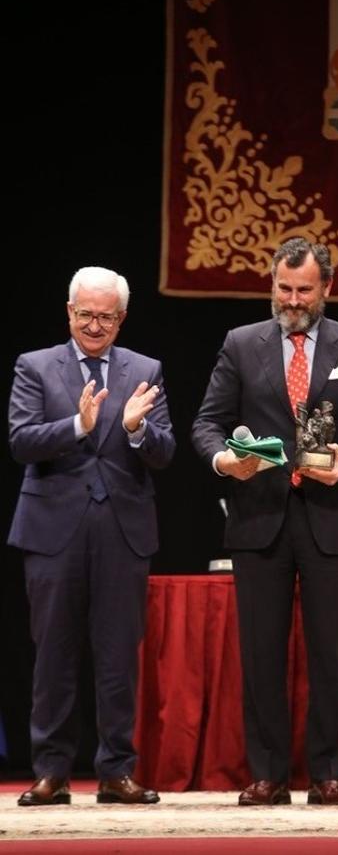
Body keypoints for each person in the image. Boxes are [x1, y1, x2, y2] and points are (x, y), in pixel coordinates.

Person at [191, 236, 338, 806]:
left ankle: (329, 772)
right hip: (259, 520)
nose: (293, 300)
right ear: (272, 285)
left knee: (331, 653)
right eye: (284, 289)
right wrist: (225, 460)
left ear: (327, 288)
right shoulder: (240, 344)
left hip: (331, 517)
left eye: (305, 290)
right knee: (260, 652)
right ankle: (268, 774)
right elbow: (207, 424)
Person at [8, 266, 175, 806]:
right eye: (86, 315)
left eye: (106, 317)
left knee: (117, 656)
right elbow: (22, 442)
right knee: (53, 654)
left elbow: (165, 452)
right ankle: (52, 771)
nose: (95, 326)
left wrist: (134, 429)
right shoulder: (35, 367)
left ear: (121, 319)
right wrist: (77, 427)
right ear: (69, 312)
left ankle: (116, 772)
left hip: (123, 531)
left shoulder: (145, 369)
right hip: (53, 529)